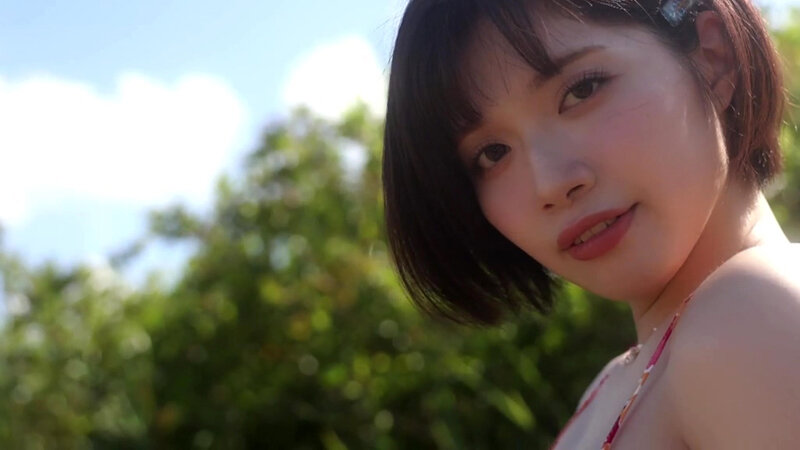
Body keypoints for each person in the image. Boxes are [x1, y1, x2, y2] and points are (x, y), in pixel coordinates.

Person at [382, 0, 800, 447]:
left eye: (582, 90)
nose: (549, 184)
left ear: (713, 59)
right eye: (493, 154)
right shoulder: (613, 385)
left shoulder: (748, 313)